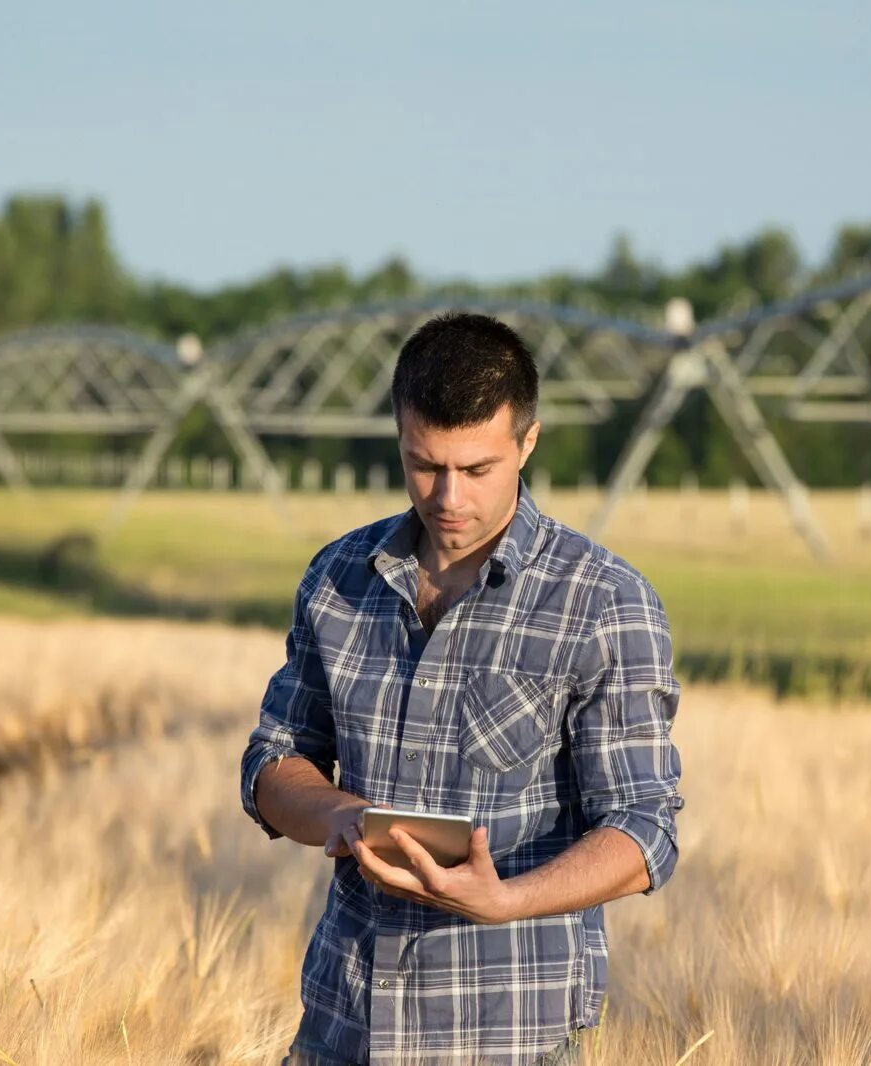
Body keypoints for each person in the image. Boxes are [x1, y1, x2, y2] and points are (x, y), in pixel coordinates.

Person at [240, 312, 684, 1065]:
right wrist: (342, 815)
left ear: (528, 442)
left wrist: (504, 900)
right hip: (341, 1029)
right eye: (424, 464)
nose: (447, 495)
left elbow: (646, 830)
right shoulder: (337, 578)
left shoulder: (602, 601)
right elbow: (272, 762)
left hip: (508, 1038)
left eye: (476, 469)